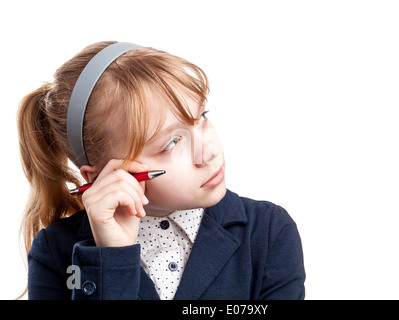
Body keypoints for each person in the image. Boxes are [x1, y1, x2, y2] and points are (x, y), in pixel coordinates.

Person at [17, 41, 305, 300]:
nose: (209, 151)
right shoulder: (54, 253)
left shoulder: (268, 232)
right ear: (102, 176)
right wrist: (112, 258)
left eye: (201, 117)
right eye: (171, 143)